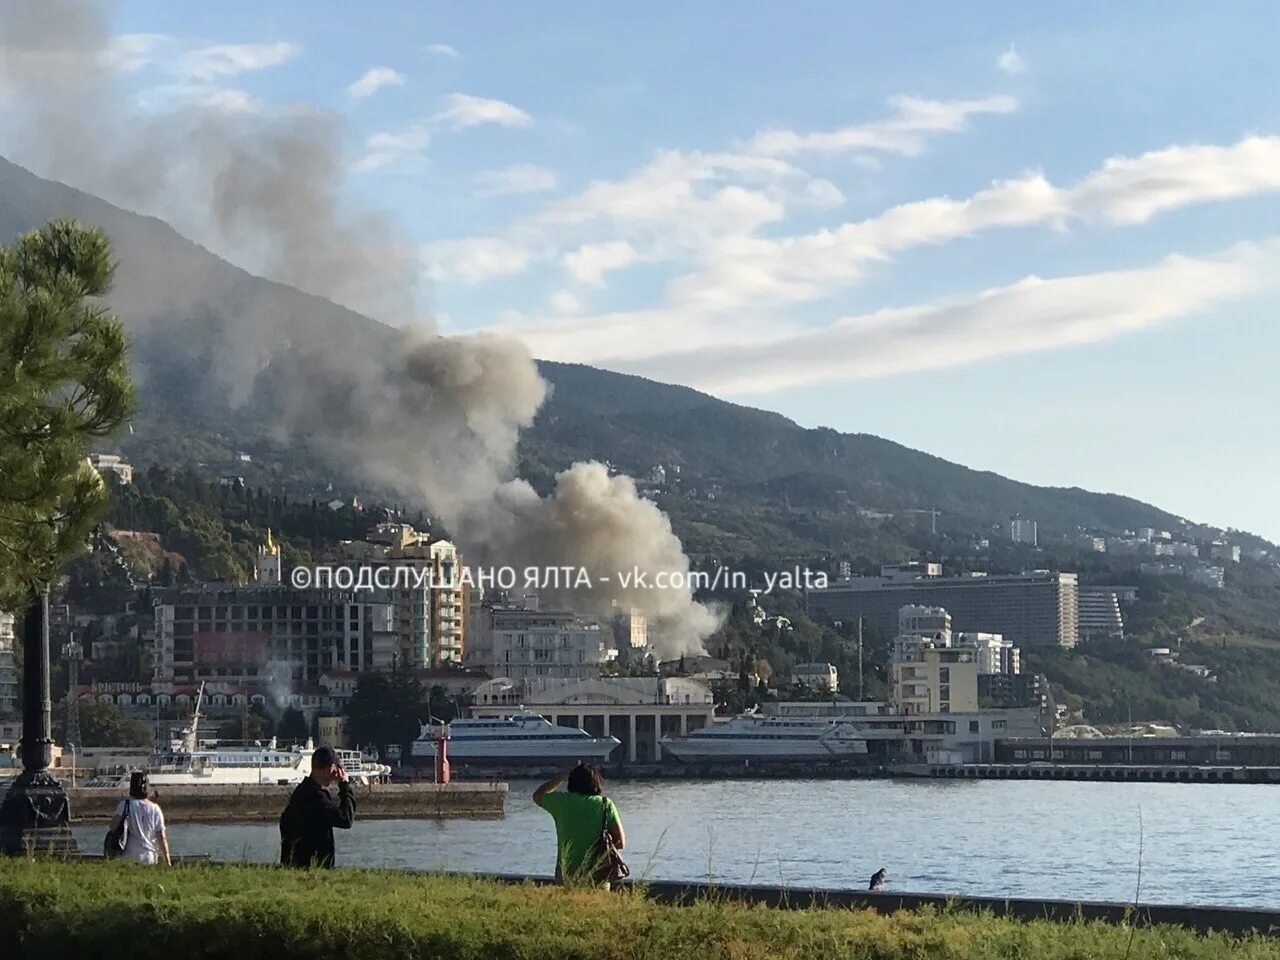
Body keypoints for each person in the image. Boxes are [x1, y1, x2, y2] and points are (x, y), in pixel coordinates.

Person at [533, 763, 625, 886]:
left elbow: (538, 795)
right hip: (597, 874)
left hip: (566, 873)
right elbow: (620, 842)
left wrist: (561, 776)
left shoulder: (561, 802)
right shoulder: (605, 804)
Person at [279, 746, 356, 868]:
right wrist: (344, 785)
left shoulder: (301, 791)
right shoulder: (317, 797)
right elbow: (345, 819)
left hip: (296, 863)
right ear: (331, 768)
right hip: (314, 866)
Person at [109, 772, 171, 866]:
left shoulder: (125, 804)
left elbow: (113, 827)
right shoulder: (155, 808)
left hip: (130, 855)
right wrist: (167, 861)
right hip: (150, 856)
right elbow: (161, 837)